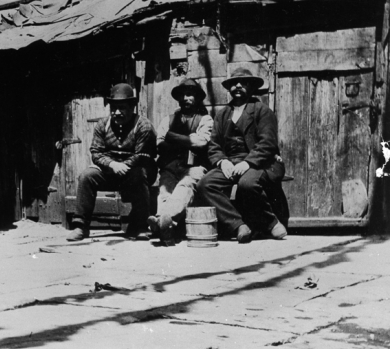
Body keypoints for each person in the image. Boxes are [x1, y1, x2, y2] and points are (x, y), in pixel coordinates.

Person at [196, 67, 288, 244]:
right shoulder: (222, 114)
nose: (238, 86)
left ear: (251, 87)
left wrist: (247, 163)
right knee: (205, 184)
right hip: (231, 162)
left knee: (247, 184)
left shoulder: (262, 111)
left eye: (243, 83)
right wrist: (222, 162)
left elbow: (267, 144)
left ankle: (272, 222)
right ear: (229, 88)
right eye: (233, 83)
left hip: (261, 162)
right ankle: (238, 225)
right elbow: (214, 145)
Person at [67, 83, 157, 241]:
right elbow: (96, 152)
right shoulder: (103, 125)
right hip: (111, 172)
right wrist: (112, 164)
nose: (117, 112)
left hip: (135, 174)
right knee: (87, 176)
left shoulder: (144, 126)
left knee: (139, 173)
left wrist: (124, 166)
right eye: (113, 108)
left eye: (122, 108)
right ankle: (81, 226)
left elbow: (143, 155)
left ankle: (141, 226)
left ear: (132, 107)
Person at [148, 78, 213, 246]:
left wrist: (172, 137)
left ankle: (162, 220)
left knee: (184, 188)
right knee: (165, 191)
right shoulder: (168, 119)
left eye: (190, 94)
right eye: (182, 95)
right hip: (170, 166)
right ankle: (165, 224)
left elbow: (201, 142)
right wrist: (188, 140)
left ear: (197, 98)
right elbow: (159, 144)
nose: (186, 99)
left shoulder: (205, 120)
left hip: (194, 167)